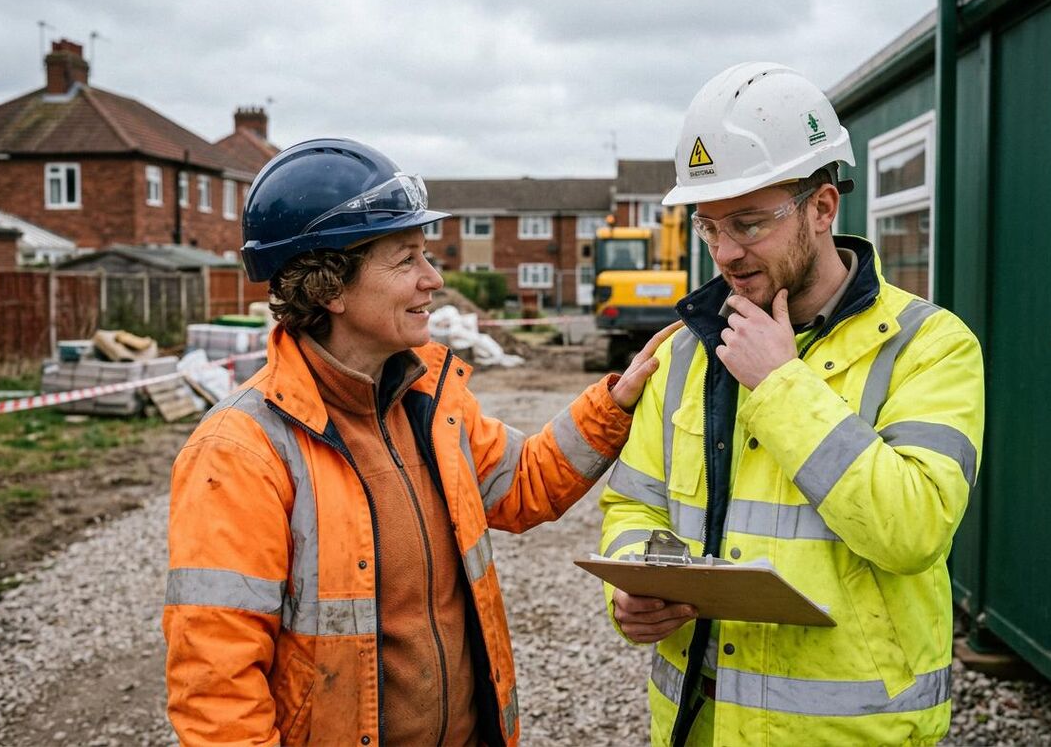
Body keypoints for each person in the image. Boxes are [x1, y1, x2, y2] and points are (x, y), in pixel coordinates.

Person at [163, 138, 677, 746]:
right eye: (406, 259)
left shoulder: (430, 405)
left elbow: (528, 482)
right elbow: (217, 691)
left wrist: (612, 405)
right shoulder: (240, 451)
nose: (433, 280)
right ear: (330, 286)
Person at [599, 62, 985, 746]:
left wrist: (781, 385)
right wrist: (631, 590)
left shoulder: (929, 345)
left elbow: (914, 529)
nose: (724, 252)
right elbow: (635, 503)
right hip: (698, 723)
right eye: (708, 226)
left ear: (822, 207)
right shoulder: (688, 351)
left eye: (749, 223)